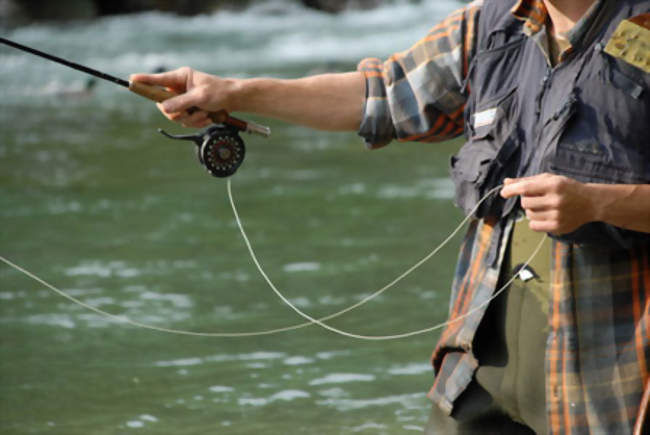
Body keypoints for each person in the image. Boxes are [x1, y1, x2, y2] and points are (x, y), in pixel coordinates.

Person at [131, 0, 650, 433]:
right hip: (477, 379)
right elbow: (381, 92)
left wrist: (598, 203)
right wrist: (235, 93)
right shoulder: (488, 25)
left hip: (611, 388)